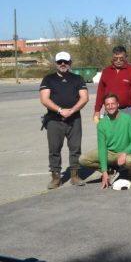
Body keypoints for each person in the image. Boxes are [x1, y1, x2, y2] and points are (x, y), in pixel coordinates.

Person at [40, 51, 89, 189]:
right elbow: (44, 98)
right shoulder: (48, 79)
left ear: (70, 63)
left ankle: (75, 175)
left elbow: (84, 97)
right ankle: (56, 177)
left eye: (66, 62)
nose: (63, 64)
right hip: (54, 119)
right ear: (56, 63)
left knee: (75, 148)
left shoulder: (77, 79)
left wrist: (72, 110)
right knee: (54, 149)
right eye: (60, 61)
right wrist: (60, 110)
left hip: (74, 119)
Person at [79, 94, 131, 188]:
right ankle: (111, 172)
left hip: (125, 152)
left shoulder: (128, 119)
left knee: (130, 160)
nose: (110, 106)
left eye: (113, 103)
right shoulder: (101, 124)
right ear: (105, 107)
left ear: (118, 104)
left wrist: (125, 153)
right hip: (110, 153)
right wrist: (104, 171)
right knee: (83, 159)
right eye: (107, 104)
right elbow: (102, 148)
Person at [93, 46, 131, 123]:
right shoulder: (106, 71)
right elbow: (100, 92)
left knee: (129, 134)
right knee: (110, 134)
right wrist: (97, 110)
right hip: (110, 110)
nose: (118, 61)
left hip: (128, 111)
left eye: (121, 58)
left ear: (126, 57)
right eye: (115, 58)